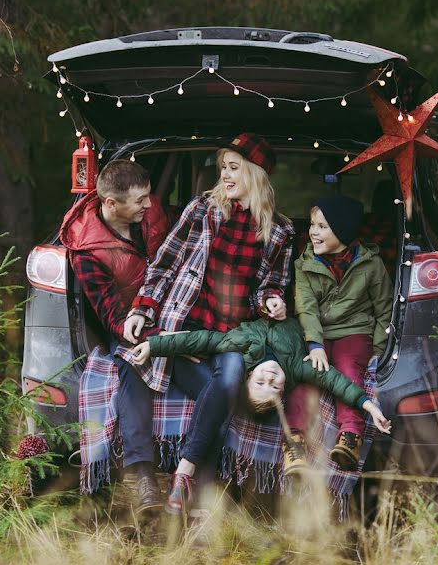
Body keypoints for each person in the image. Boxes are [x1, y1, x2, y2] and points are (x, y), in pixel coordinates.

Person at [120, 132, 295, 516]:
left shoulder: (280, 231)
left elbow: (270, 286)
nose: (225, 176)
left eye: (233, 168)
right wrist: (141, 310)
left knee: (229, 384)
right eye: (223, 168)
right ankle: (201, 494)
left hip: (230, 336)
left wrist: (272, 301)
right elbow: (164, 262)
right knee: (220, 400)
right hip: (185, 324)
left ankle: (183, 472)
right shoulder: (203, 209)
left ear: (255, 173)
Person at [59, 158, 170, 512]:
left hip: (172, 314)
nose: (149, 205)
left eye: (148, 197)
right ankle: (143, 479)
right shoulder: (87, 252)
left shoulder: (151, 215)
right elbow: (111, 316)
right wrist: (139, 331)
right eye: (139, 201)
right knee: (131, 371)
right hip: (127, 327)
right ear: (111, 204)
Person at [129, 317, 391, 438]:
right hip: (297, 310)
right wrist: (369, 405)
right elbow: (336, 381)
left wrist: (154, 346)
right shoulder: (298, 367)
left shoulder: (237, 351)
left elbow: (202, 339)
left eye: (260, 383)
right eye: (274, 386)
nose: (269, 377)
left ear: (248, 375)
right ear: (284, 388)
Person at [292, 195, 394, 471]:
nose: (313, 231)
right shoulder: (305, 264)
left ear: (343, 231)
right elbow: (306, 308)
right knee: (307, 375)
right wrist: (314, 344)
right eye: (313, 225)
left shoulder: (371, 265)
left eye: (322, 226)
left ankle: (350, 436)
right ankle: (295, 441)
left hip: (355, 331)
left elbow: (385, 309)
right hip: (319, 334)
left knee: (349, 369)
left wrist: (378, 349)